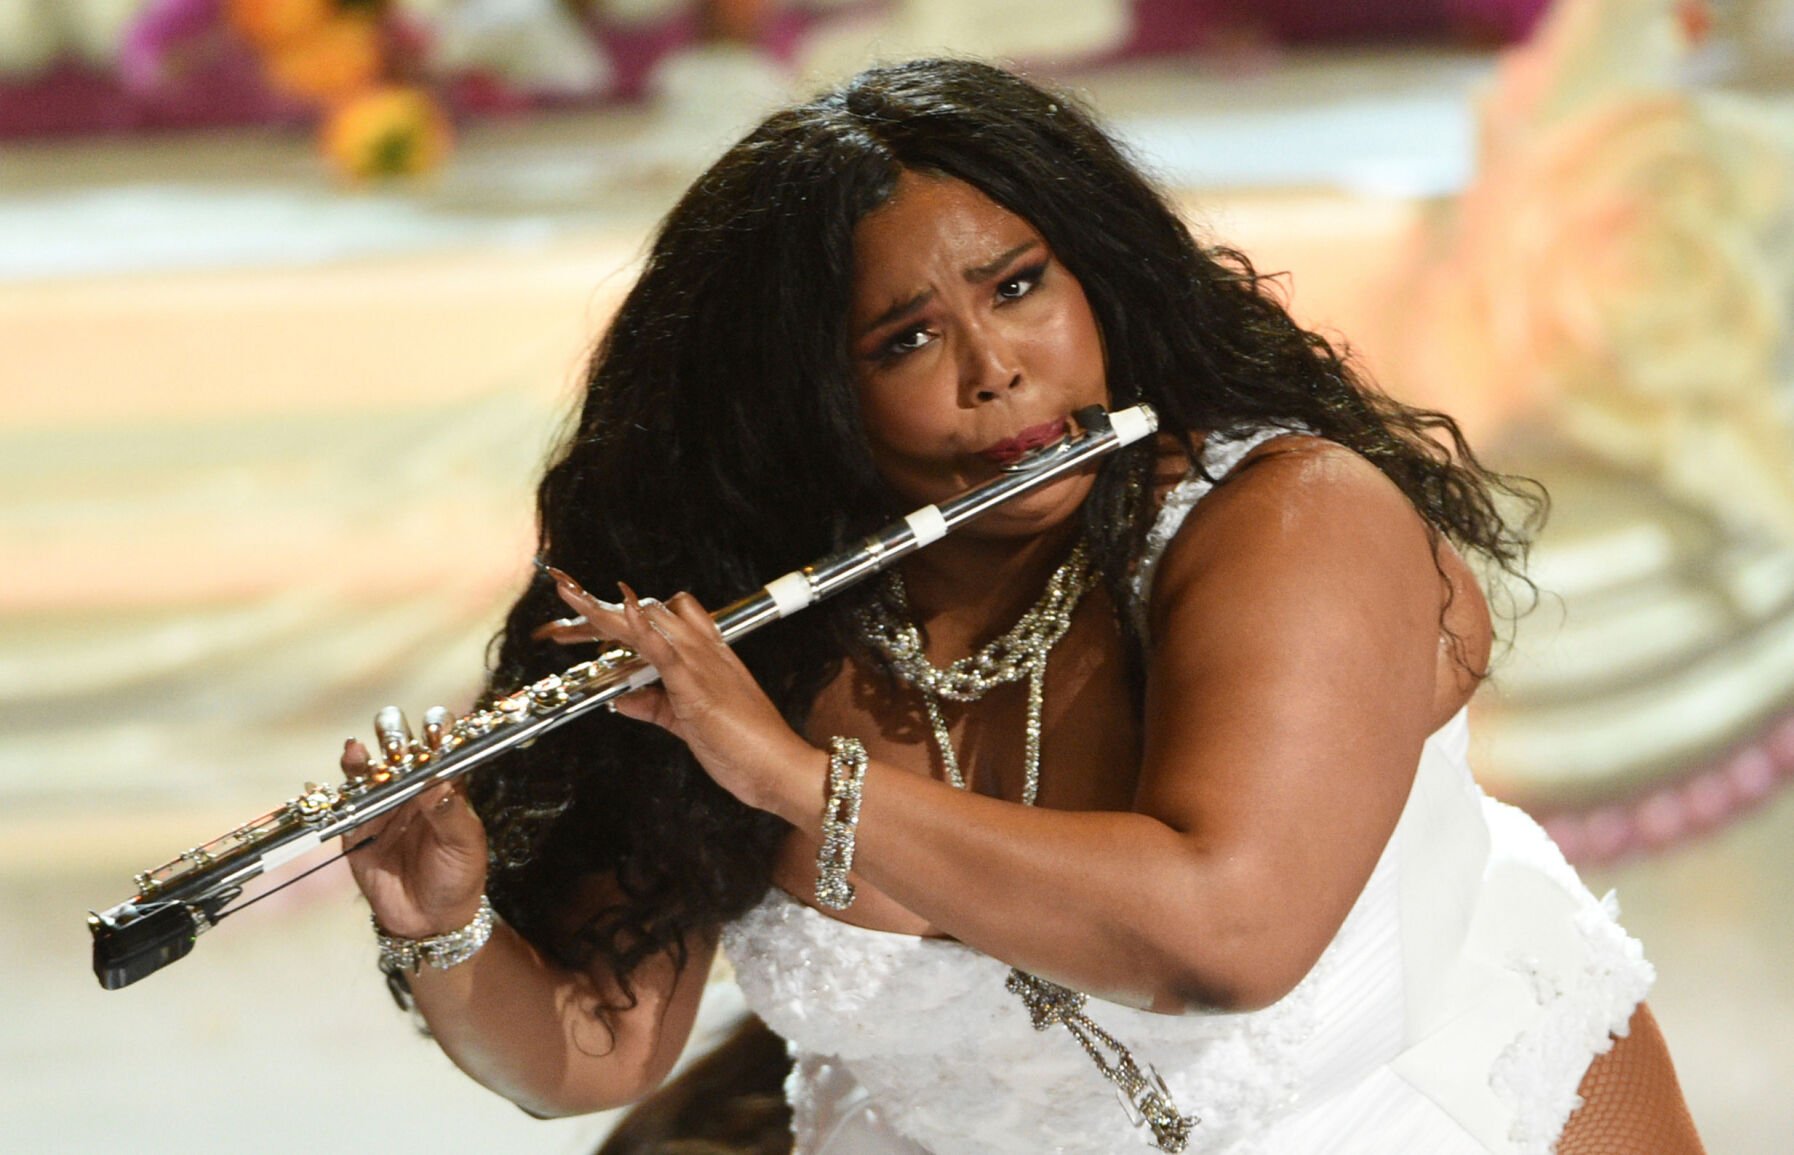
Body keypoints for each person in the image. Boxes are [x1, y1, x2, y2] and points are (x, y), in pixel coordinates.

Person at [340, 58, 1705, 1154]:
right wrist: (441, 924)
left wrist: (793, 778)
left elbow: (1227, 935)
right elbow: (592, 1052)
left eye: (1017, 286)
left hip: (1434, 1119)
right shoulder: (749, 638)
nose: (995, 368)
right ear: (803, 402)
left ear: (1095, 274)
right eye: (905, 341)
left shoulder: (1288, 517)